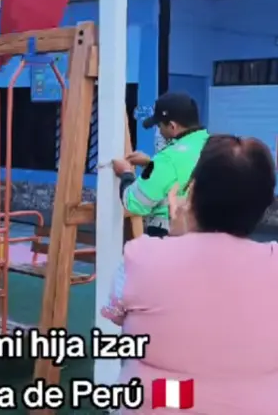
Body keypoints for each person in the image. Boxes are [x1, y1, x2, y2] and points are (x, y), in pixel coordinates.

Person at [102, 135, 278, 414]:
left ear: (191, 194)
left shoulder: (142, 258)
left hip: (163, 402)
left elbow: (114, 313)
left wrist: (178, 239)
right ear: (264, 205)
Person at [111, 92, 209, 237]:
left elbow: (135, 203)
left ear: (172, 126)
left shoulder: (167, 159)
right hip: (206, 235)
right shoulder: (212, 145)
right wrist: (150, 165)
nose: (159, 130)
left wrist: (125, 173)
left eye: (159, 125)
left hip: (170, 238)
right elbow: (179, 174)